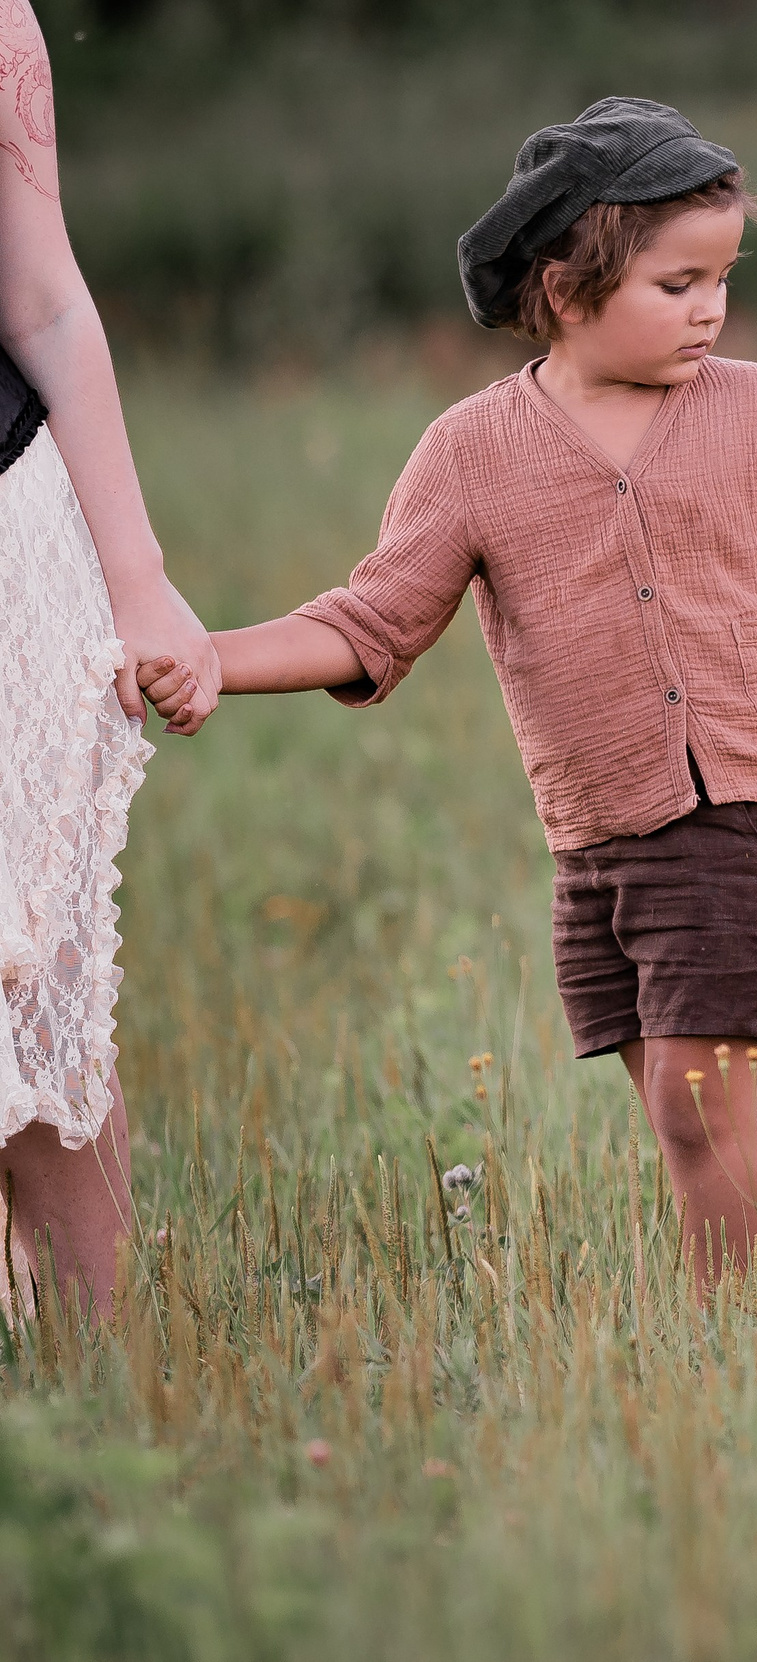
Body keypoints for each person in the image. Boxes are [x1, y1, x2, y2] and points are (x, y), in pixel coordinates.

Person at [146, 99, 757, 1292]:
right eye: (677, 284)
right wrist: (211, 654)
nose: (711, 308)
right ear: (565, 290)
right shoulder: (469, 452)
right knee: (693, 1105)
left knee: (702, 1108)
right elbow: (369, 622)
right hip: (597, 831)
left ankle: (728, 1347)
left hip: (748, 806)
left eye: (722, 280)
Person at [0, 1, 220, 1324]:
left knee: (34, 964)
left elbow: (41, 302)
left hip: (8, 538)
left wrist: (139, 583)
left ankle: (99, 1378)